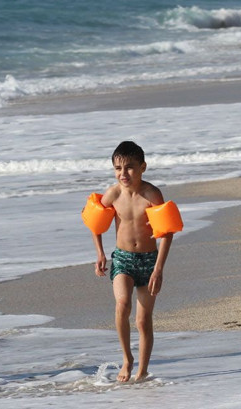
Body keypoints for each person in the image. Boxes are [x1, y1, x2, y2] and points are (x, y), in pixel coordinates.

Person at [91, 140, 174, 382]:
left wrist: (159, 269)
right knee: (123, 304)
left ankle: (143, 370)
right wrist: (100, 253)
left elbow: (166, 233)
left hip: (149, 261)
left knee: (142, 320)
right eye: (118, 168)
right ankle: (127, 359)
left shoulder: (152, 194)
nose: (123, 173)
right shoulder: (113, 194)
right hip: (123, 259)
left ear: (142, 167)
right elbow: (95, 222)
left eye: (129, 167)